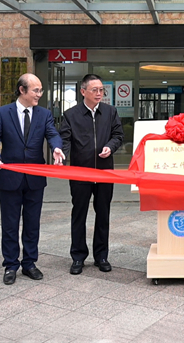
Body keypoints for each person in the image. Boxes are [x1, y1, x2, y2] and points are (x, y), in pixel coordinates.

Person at [0, 73, 65, 285]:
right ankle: (11, 265)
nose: (39, 94)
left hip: (35, 179)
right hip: (9, 178)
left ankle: (29, 263)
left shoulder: (44, 114)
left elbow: (52, 134)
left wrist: (56, 147)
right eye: (36, 90)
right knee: (10, 224)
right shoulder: (2, 113)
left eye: (40, 90)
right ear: (22, 90)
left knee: (32, 223)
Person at [60, 74, 124, 275]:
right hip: (80, 172)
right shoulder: (71, 115)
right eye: (94, 90)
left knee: (103, 214)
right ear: (83, 91)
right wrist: (61, 154)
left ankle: (101, 256)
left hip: (105, 172)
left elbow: (118, 135)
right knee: (79, 214)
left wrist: (110, 147)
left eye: (101, 90)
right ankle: (78, 257)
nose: (99, 93)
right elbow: (65, 139)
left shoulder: (110, 112)